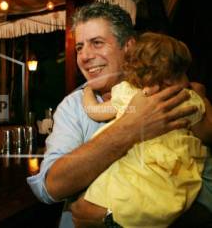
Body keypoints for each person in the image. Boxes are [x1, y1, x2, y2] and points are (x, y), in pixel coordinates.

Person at [27, 2, 212, 228]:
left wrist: (111, 219)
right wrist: (131, 128)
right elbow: (50, 187)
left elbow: (206, 192)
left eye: (97, 43)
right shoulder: (73, 106)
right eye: (79, 47)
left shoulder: (174, 93)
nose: (84, 56)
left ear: (129, 47)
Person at [82, 32, 208, 227]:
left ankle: (118, 216)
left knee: (119, 188)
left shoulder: (127, 93)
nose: (187, 79)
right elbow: (205, 131)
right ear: (169, 76)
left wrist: (87, 90)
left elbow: (94, 111)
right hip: (170, 168)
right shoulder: (185, 99)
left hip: (133, 161)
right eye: (184, 73)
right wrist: (202, 95)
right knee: (160, 197)